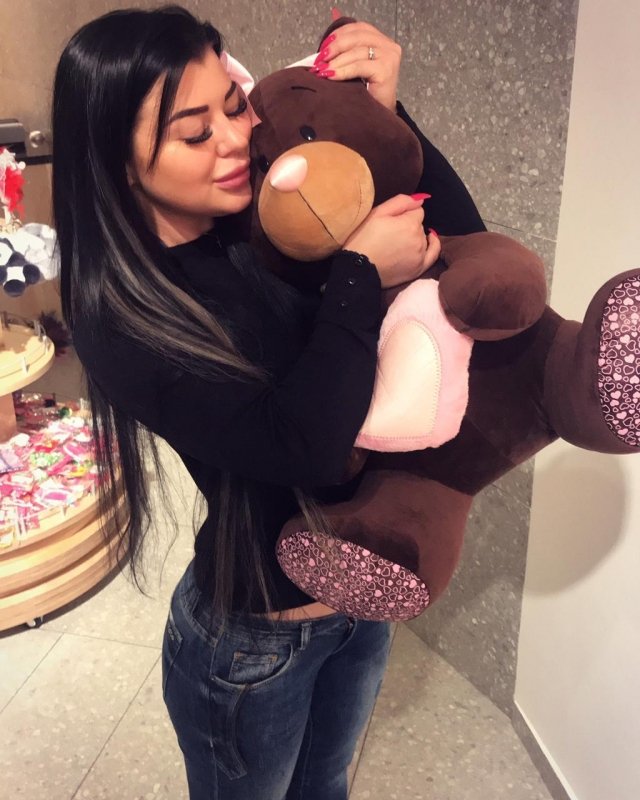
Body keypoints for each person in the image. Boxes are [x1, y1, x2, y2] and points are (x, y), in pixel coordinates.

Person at [52, 7, 485, 799]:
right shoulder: (121, 318)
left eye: (234, 105)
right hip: (253, 642)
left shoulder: (260, 215)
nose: (235, 138)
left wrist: (386, 119)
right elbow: (305, 445)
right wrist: (357, 274)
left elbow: (464, 255)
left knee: (326, 788)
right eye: (194, 132)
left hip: (359, 604)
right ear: (117, 163)